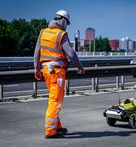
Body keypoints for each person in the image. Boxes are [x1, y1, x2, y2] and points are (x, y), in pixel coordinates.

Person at [34, 9, 85, 139]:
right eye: (67, 23)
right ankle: (50, 131)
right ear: (62, 20)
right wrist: (80, 66)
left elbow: (36, 53)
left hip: (46, 70)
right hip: (57, 71)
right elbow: (70, 53)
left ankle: (57, 127)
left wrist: (37, 70)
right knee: (55, 101)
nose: (66, 26)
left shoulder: (43, 32)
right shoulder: (61, 34)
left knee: (54, 98)